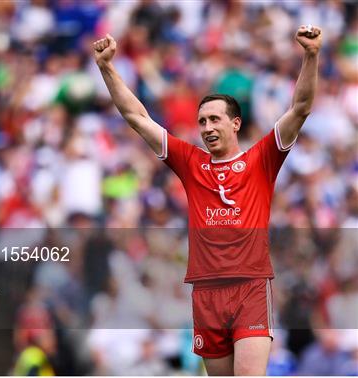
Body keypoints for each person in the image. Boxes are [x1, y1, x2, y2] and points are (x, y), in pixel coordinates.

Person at [93, 25, 322, 376]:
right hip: (206, 292)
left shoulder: (262, 159)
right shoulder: (191, 163)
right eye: (201, 121)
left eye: (215, 119)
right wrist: (108, 67)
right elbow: (137, 117)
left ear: (235, 123)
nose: (207, 127)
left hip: (249, 287)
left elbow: (301, 107)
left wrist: (311, 54)